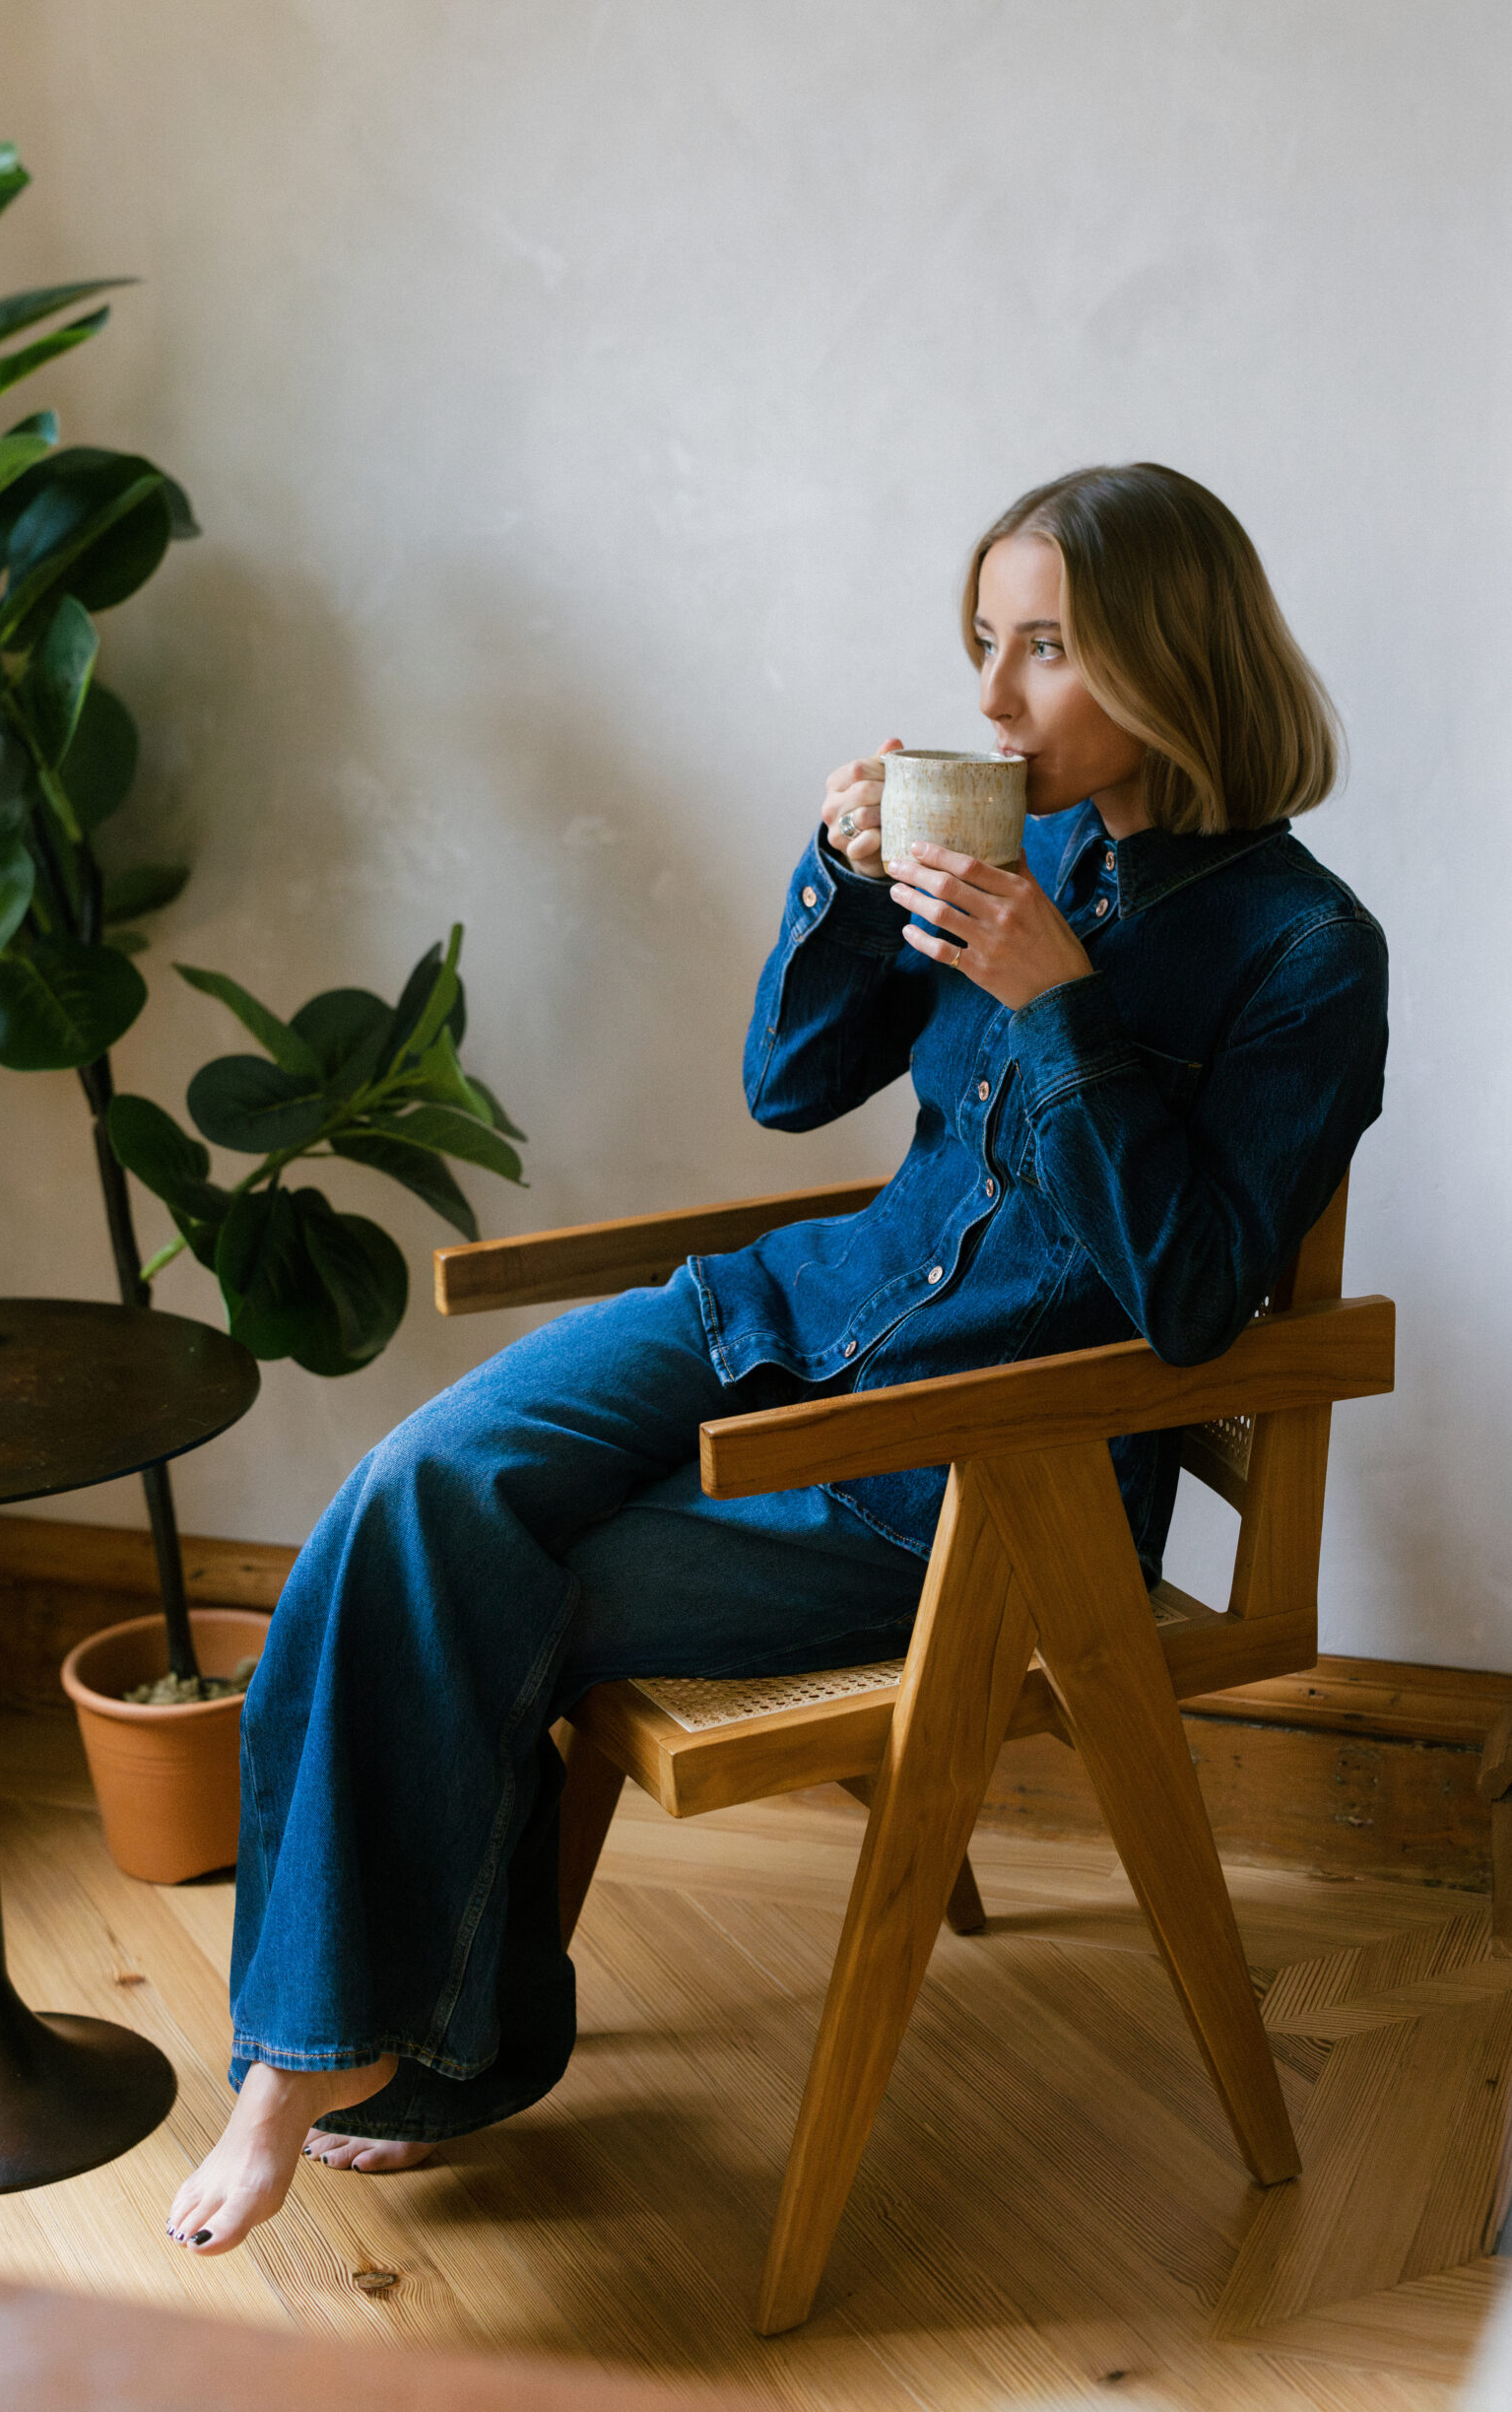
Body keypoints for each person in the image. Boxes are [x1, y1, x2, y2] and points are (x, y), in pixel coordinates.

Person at [165, 462, 1387, 2252]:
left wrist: (1063, 1015)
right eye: (984, 643)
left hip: (969, 1480)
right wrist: (835, 875)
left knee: (498, 1585)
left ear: (1171, 656)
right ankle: (356, 2051)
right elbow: (793, 1083)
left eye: (1045, 649)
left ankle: (360, 2064)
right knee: (412, 1494)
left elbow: (1198, 1299)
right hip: (779, 1315)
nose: (991, 699)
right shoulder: (1016, 840)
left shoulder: (1306, 952)